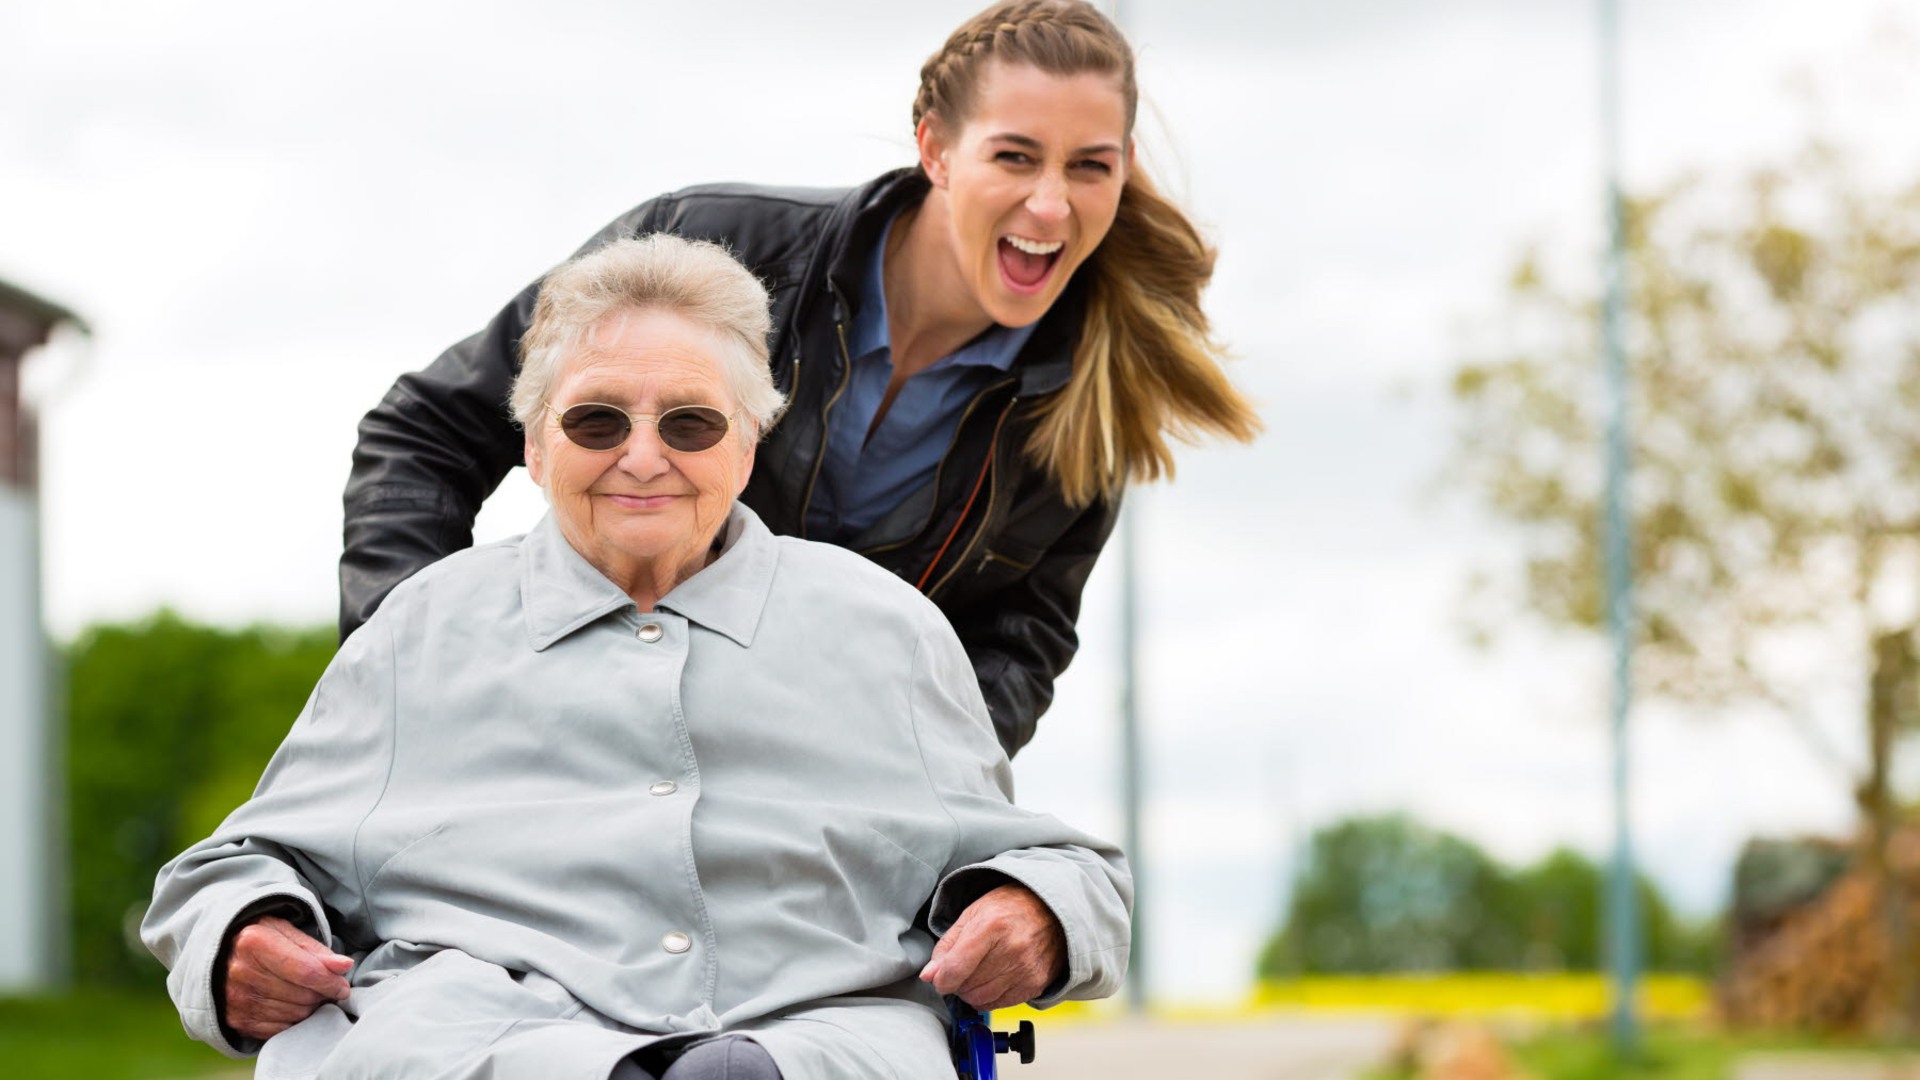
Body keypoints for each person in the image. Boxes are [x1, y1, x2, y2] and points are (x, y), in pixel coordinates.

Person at [144, 235, 1131, 1080]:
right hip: (500, 1043)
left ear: (749, 444)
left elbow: (1055, 866)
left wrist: (1033, 913)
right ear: (534, 445)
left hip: (804, 1041)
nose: (644, 456)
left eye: (691, 423)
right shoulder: (422, 629)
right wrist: (246, 931)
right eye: (596, 420)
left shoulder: (885, 629)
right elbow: (232, 868)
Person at [342, 0, 1261, 759]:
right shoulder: (708, 244)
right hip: (574, 741)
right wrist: (420, 681)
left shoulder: (1090, 406)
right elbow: (423, 434)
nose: (1050, 205)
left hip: (799, 809)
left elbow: (1016, 648)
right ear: (936, 150)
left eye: (1089, 167)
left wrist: (908, 803)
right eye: (1014, 156)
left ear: (1123, 169)